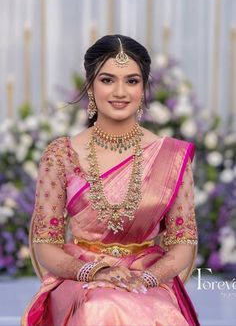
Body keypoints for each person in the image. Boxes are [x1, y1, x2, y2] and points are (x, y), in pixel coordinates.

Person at [22, 34, 200, 326]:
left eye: (131, 81)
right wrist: (94, 272)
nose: (120, 91)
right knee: (102, 305)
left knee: (148, 309)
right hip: (81, 277)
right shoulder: (61, 154)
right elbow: (45, 244)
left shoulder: (172, 157)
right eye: (107, 80)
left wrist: (147, 278)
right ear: (90, 85)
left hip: (147, 279)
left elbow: (184, 243)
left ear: (143, 88)